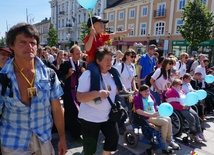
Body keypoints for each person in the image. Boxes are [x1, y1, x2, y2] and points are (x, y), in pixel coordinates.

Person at [0, 23, 67, 154]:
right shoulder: (3, 78)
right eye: (23, 42)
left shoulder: (49, 75)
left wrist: (62, 137)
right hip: (13, 143)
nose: (29, 46)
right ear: (11, 45)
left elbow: (57, 108)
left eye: (32, 42)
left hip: (44, 140)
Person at [77, 46, 119, 155]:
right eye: (107, 60)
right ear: (98, 61)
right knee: (90, 149)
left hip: (108, 116)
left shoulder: (111, 74)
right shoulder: (88, 75)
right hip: (90, 118)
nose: (110, 62)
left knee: (113, 138)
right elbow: (79, 97)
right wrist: (98, 94)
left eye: (111, 59)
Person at [84, 16, 133, 104]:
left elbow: (114, 34)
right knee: (95, 71)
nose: (103, 27)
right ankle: (96, 95)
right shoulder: (88, 37)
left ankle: (121, 89)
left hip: (102, 62)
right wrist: (92, 35)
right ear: (93, 26)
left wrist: (125, 32)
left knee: (114, 70)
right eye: (101, 25)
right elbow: (87, 48)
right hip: (93, 62)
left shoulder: (102, 36)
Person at [133, 84, 180, 153]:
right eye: (145, 91)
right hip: (146, 117)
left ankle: (169, 140)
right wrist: (151, 114)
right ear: (140, 92)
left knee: (168, 118)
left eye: (148, 91)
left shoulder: (150, 96)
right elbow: (138, 111)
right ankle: (163, 142)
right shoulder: (137, 97)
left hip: (155, 114)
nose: (147, 92)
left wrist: (160, 109)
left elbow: (155, 106)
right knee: (165, 122)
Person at [60, 44, 86, 140]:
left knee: (79, 111)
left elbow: (86, 79)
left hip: (79, 91)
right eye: (77, 53)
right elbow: (61, 79)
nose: (79, 55)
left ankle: (79, 131)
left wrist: (84, 73)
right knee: (71, 112)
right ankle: (72, 132)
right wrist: (68, 74)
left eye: (80, 53)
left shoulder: (82, 64)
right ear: (71, 54)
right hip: (69, 92)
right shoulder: (65, 64)